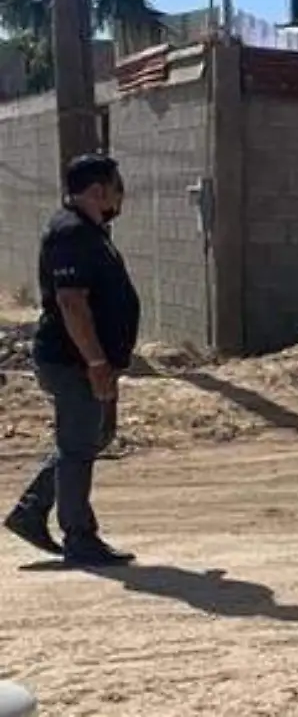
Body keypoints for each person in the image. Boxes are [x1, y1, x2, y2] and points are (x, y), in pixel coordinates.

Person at [4, 154, 139, 566]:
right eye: (117, 187)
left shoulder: (92, 232)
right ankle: (80, 538)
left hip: (92, 360)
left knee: (94, 438)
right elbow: (71, 302)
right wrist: (96, 363)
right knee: (79, 446)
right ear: (98, 190)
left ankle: (30, 512)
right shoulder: (71, 234)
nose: (120, 195)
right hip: (72, 361)